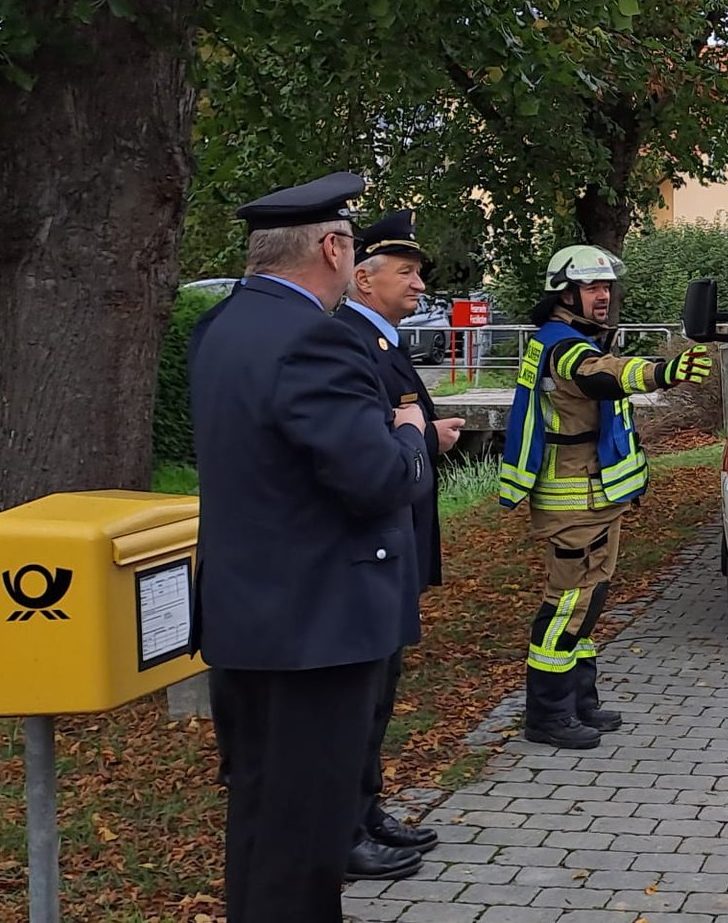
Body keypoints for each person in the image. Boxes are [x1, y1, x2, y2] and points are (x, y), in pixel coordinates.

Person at [190, 171, 434, 923]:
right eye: (352, 246)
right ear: (332, 248)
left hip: (248, 616)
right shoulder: (315, 339)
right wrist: (411, 438)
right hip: (318, 630)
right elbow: (373, 479)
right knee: (307, 839)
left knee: (262, 820)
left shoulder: (222, 326)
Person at [499, 245, 715, 749]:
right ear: (565, 293)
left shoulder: (572, 339)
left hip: (595, 498)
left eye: (607, 287)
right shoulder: (563, 347)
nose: (605, 296)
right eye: (594, 287)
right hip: (573, 501)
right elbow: (602, 375)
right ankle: (547, 714)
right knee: (568, 603)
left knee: (589, 599)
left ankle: (579, 701)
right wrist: (663, 373)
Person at [335, 210, 466, 881]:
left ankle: (368, 808)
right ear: (363, 278)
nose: (419, 284)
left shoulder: (381, 341)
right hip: (373, 546)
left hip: (398, 540)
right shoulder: (349, 340)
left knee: (380, 691)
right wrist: (420, 435)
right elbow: (371, 438)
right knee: (363, 694)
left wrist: (421, 434)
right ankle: (348, 825)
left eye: (419, 272)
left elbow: (397, 424)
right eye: (406, 272)